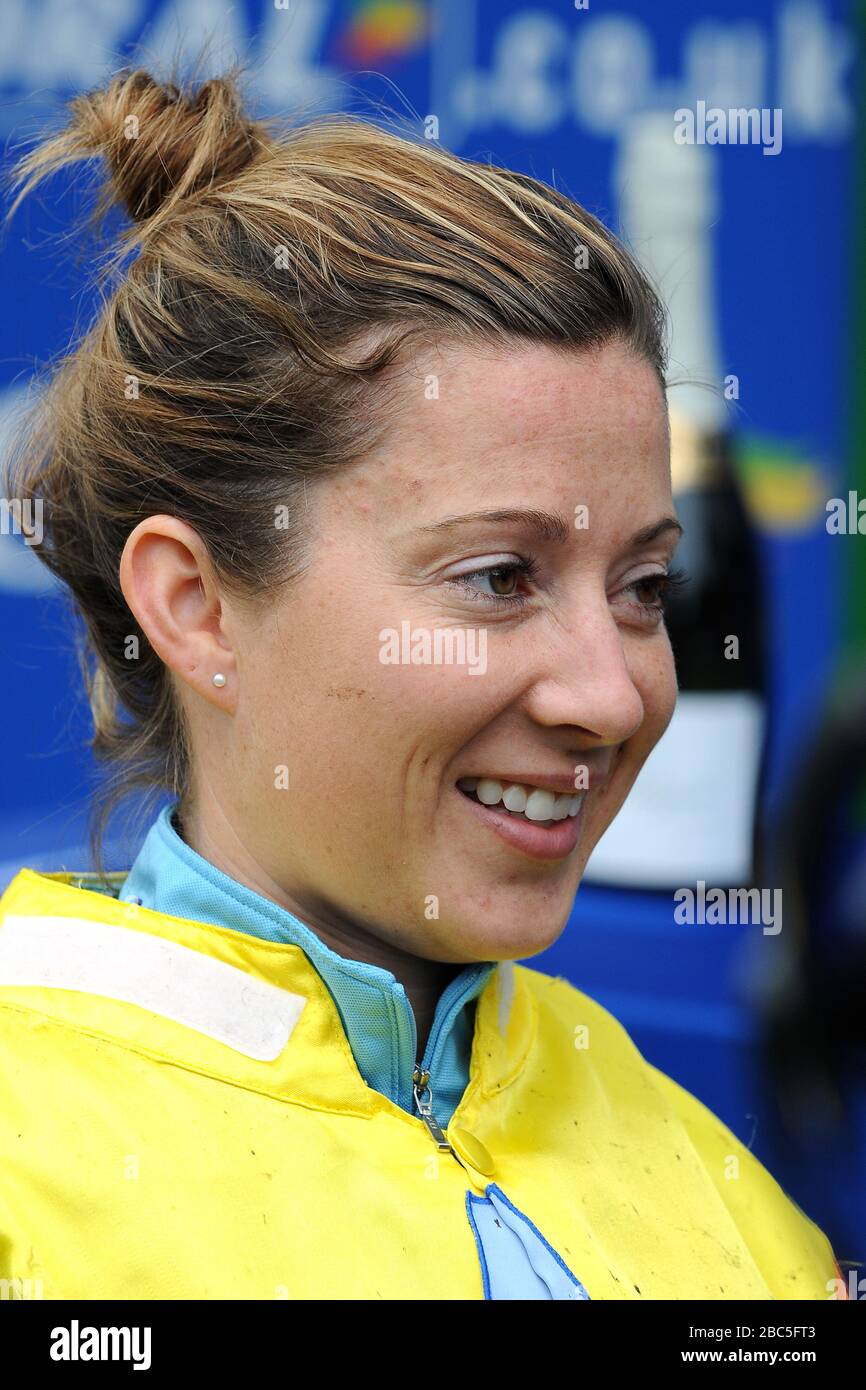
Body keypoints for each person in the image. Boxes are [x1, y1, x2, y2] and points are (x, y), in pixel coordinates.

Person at [0, 63, 845, 1300]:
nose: (609, 699)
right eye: (500, 577)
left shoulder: (727, 1196)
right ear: (195, 605)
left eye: (644, 589)